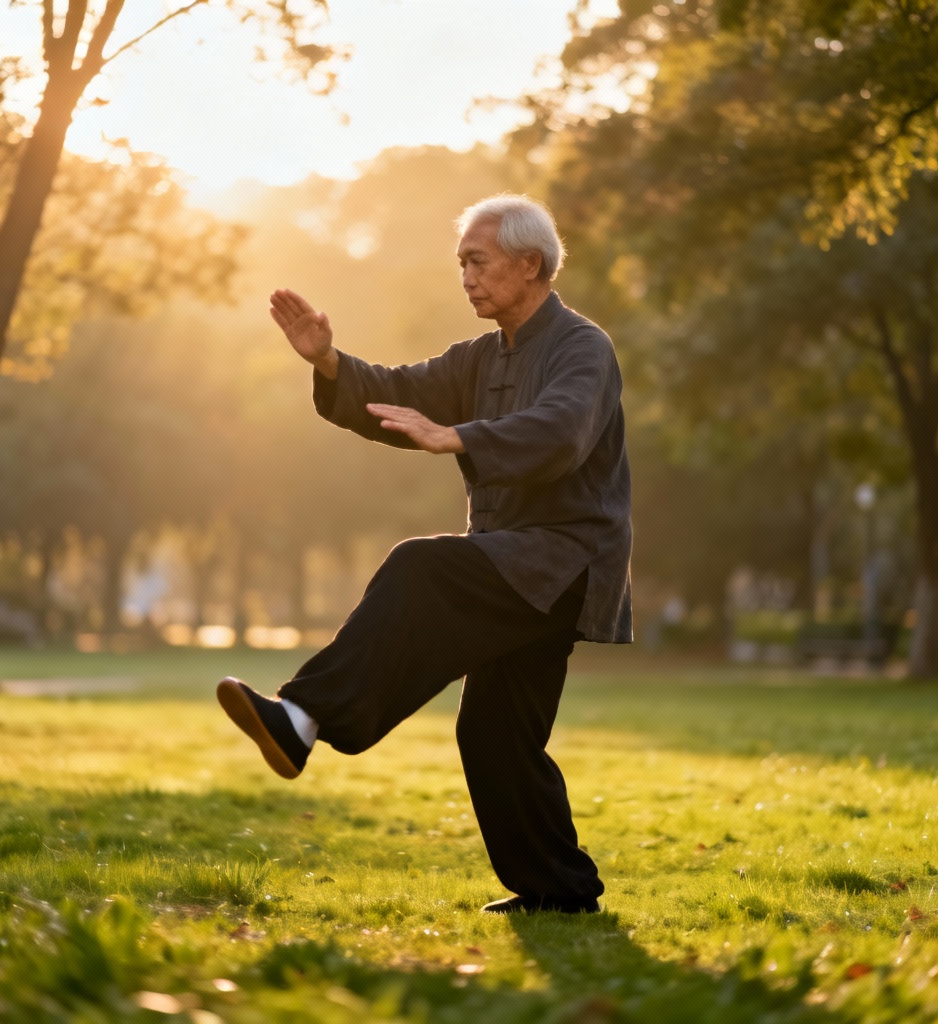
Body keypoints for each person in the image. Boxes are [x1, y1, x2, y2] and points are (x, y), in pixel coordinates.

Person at [217, 194, 632, 915]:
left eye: (479, 262)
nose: (466, 277)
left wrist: (462, 437)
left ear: (529, 265)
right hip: (510, 562)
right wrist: (330, 361)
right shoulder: (478, 358)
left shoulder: (582, 348)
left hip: (562, 563)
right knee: (495, 732)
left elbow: (563, 432)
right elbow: (400, 392)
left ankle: (303, 718)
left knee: (421, 567)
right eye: (461, 263)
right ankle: (559, 891)